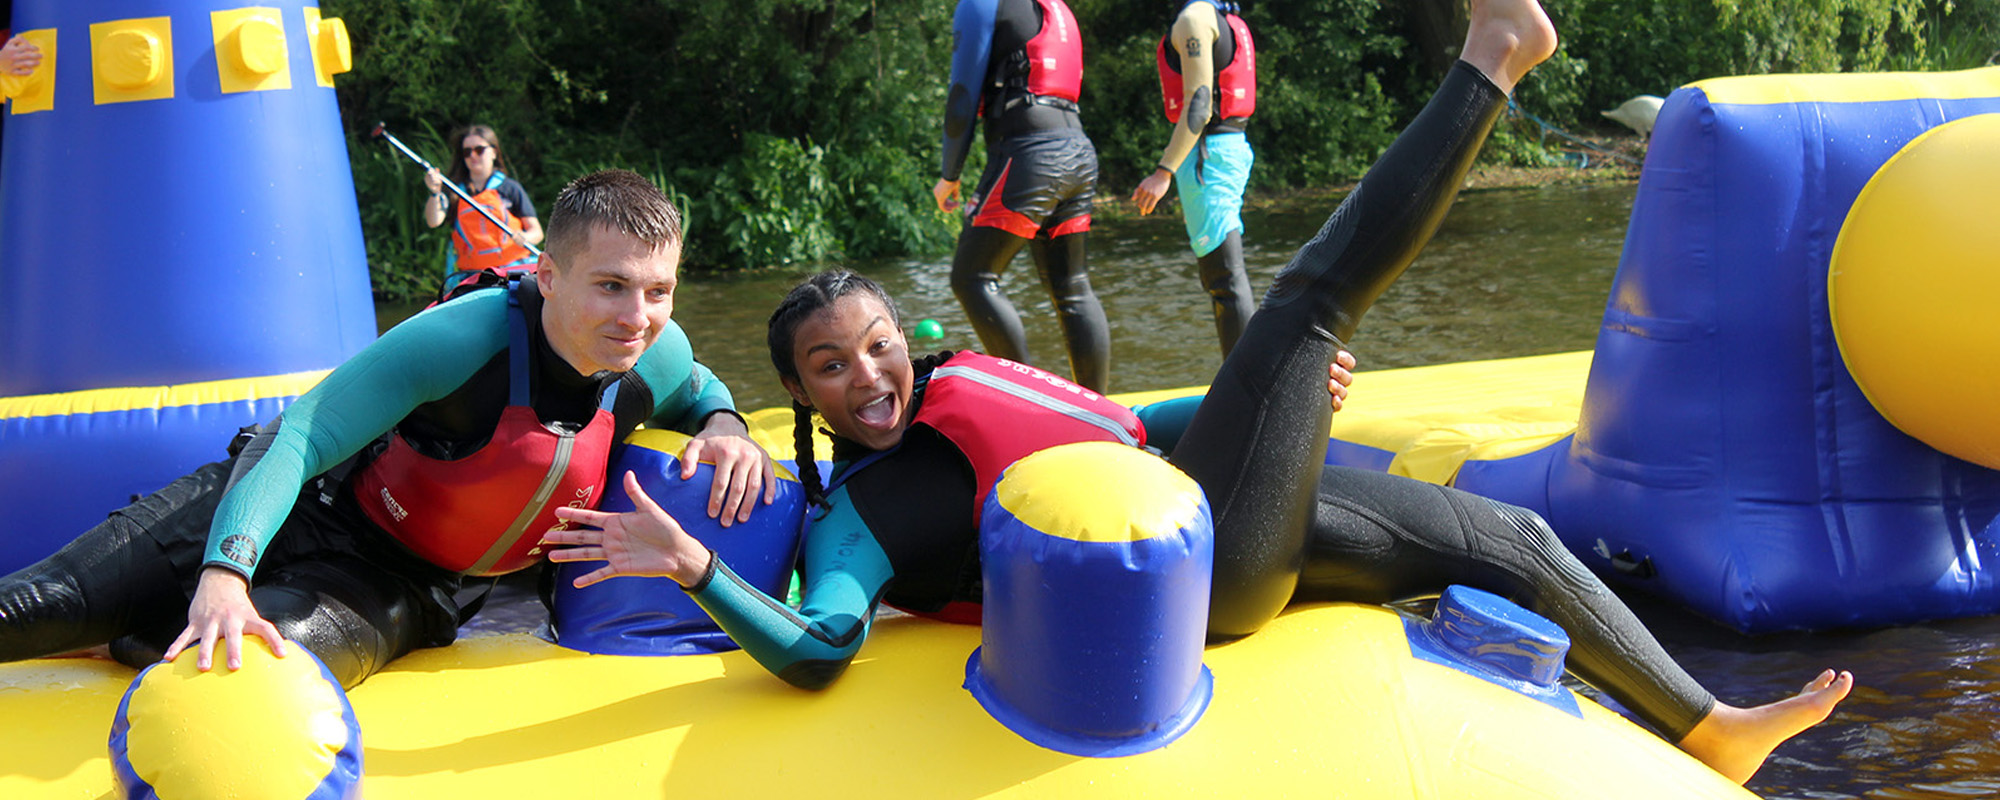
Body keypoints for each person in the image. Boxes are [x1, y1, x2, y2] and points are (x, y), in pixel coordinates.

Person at [544, 0, 1851, 784]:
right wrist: (695, 571)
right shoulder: (866, 510)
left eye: (877, 347)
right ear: (800, 396)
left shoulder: (961, 382)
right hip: (1202, 582)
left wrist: (1266, 412)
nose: (866, 379)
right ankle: (1492, 62)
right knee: (1306, 301)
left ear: (910, 340)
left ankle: (1710, 720)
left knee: (1509, 537)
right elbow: (824, 648)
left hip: (1209, 516)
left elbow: (1125, 427)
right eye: (830, 369)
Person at [0, 170, 776, 689]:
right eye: (611, 286)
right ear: (547, 277)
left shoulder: (656, 353)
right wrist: (226, 572)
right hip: (299, 504)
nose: (635, 317)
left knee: (252, 670)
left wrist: (727, 422)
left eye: (658, 291)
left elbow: (700, 385)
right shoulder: (461, 342)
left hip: (397, 586)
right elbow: (296, 434)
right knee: (34, 609)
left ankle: (138, 633)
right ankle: (133, 609)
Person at [931, 0, 1111, 392]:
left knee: (972, 278)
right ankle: (1101, 410)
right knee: (1073, 285)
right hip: (1079, 151)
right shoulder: (1059, 9)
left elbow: (962, 94)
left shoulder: (981, 4)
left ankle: (1029, 402)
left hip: (1030, 154)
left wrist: (950, 175)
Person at [1129, 0, 1258, 355]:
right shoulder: (1221, 16)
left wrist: (1163, 172)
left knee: (1225, 279)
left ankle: (1243, 393)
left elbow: (1199, 106)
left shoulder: (1193, 19)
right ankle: (1245, 385)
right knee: (1223, 278)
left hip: (1208, 157)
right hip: (1226, 149)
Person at [424, 124, 544, 296]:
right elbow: (433, 221)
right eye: (467, 152)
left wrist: (525, 237)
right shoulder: (455, 192)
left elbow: (537, 232)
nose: (472, 156)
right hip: (475, 277)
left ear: (494, 152)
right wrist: (434, 192)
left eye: (479, 150)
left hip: (513, 271)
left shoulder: (510, 188)